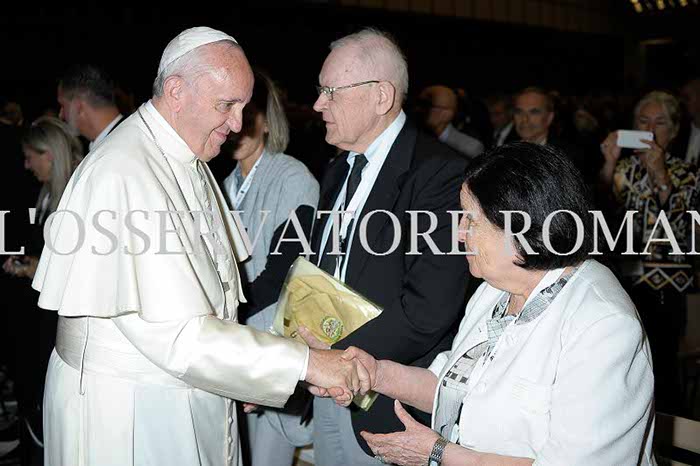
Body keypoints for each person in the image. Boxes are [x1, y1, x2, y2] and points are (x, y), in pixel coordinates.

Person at [32, 27, 369, 466]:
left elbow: (222, 297)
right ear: (176, 91)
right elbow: (178, 336)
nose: (237, 124)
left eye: (243, 107)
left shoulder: (186, 158)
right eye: (226, 105)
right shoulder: (125, 172)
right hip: (127, 413)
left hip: (178, 394)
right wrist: (306, 363)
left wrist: (248, 375)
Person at [314, 142, 656, 465]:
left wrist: (438, 453)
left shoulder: (602, 326)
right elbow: (452, 387)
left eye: (470, 219)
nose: (459, 233)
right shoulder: (496, 289)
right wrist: (375, 374)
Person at [308, 28, 470, 465]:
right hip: (330, 385)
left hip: (392, 407)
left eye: (330, 92)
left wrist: (333, 361)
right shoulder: (339, 167)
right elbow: (328, 271)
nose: (319, 104)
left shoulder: (441, 174)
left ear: (381, 96)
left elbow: (428, 310)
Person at [221, 70, 320, 466]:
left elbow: (284, 272)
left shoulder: (294, 177)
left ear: (266, 120)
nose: (235, 127)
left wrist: (225, 312)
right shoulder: (223, 183)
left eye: (247, 114)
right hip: (234, 342)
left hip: (272, 344)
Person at [599, 90, 699, 414]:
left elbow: (683, 232)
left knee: (664, 367)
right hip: (623, 281)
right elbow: (597, 216)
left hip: (667, 287)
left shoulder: (688, 173)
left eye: (660, 122)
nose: (651, 130)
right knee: (622, 365)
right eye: (643, 121)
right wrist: (609, 162)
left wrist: (660, 176)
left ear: (674, 130)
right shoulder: (621, 168)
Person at [1, 116, 82, 463]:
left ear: (49, 155)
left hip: (57, 325)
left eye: (30, 156)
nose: (26, 164)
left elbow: (73, 267)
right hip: (40, 316)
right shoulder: (48, 192)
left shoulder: (74, 195)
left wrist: (33, 266)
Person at [57, 64, 124, 151]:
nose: (60, 115)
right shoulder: (131, 135)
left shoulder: (117, 149)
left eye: (63, 106)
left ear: (78, 107)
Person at [416, 85, 484, 158]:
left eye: (428, 105)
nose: (418, 110)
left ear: (447, 114)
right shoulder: (415, 139)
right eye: (420, 104)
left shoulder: (471, 147)